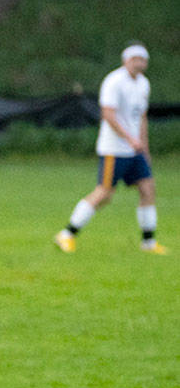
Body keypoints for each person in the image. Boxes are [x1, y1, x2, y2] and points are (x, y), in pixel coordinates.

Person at [54, 44, 168, 255]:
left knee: (148, 189)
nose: (139, 63)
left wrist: (144, 146)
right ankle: (66, 234)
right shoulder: (114, 81)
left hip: (135, 151)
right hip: (114, 149)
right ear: (126, 60)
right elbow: (108, 114)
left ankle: (149, 242)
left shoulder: (143, 84)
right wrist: (129, 139)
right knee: (104, 194)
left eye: (143, 60)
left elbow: (141, 117)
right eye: (135, 59)